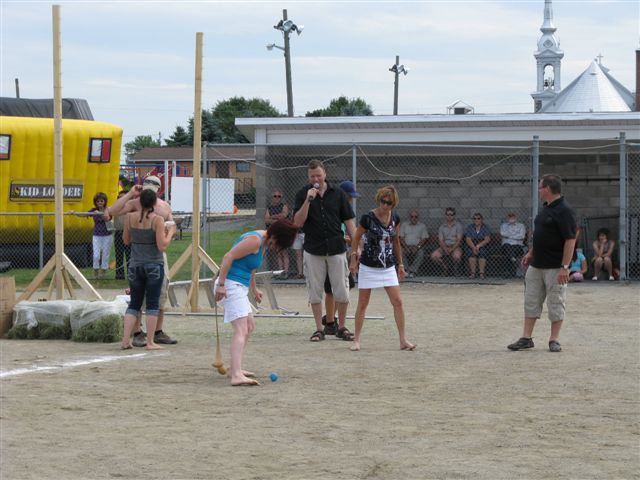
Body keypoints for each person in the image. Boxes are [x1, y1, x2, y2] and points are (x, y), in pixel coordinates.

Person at [214, 219, 297, 386]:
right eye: (279, 244)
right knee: (241, 329)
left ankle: (234, 368)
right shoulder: (255, 240)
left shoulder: (263, 241)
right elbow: (228, 256)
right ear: (275, 236)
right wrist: (221, 285)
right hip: (230, 285)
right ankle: (236, 375)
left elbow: (251, 267)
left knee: (249, 326)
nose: (277, 248)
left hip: (239, 286)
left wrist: (254, 289)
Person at [508, 174, 577, 353]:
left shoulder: (565, 210)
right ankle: (526, 338)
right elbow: (541, 235)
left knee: (556, 302)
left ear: (547, 189)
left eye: (540, 187)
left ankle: (554, 339)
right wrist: (531, 253)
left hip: (555, 266)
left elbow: (570, 240)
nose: (538, 191)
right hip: (537, 265)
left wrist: (565, 267)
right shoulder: (546, 208)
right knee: (531, 300)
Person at [293, 160, 356, 342]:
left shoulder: (338, 194)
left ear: (325, 174)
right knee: (315, 291)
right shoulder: (302, 194)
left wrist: (356, 246)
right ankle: (319, 329)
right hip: (314, 250)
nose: (316, 179)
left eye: (318, 175)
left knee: (341, 290)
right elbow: (297, 222)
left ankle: (341, 327)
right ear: (308, 177)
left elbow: (349, 222)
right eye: (312, 176)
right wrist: (308, 200)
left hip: (336, 249)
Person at [110, 175, 177, 346]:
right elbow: (112, 212)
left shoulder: (163, 207)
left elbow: (126, 239)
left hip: (141, 260)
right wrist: (129, 194)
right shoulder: (134, 204)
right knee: (147, 301)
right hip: (150, 259)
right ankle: (140, 335)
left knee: (156, 296)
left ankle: (154, 333)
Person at [349, 185, 416, 352]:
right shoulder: (368, 218)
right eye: (383, 201)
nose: (385, 205)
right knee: (363, 304)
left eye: (389, 203)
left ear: (394, 204)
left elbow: (396, 241)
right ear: (379, 200)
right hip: (368, 266)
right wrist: (353, 258)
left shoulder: (395, 218)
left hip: (388, 266)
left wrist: (400, 264)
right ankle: (356, 340)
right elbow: (356, 237)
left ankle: (403, 340)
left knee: (398, 302)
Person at [323, 180, 360, 334]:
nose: (350, 200)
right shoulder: (334, 209)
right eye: (349, 197)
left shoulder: (344, 210)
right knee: (332, 288)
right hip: (329, 253)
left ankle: (330, 317)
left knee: (347, 284)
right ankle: (330, 320)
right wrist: (347, 238)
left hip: (340, 253)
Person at [264, 189, 290, 278]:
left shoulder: (284, 206)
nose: (277, 198)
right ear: (272, 197)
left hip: (283, 232)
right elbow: (266, 220)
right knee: (278, 253)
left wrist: (272, 217)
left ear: (281, 197)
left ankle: (286, 272)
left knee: (285, 253)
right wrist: (277, 219)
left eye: (279, 196)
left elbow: (284, 215)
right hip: (274, 233)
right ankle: (280, 272)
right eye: (275, 196)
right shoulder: (269, 207)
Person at [430, 207, 463, 276]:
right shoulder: (442, 227)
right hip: (444, 247)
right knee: (434, 256)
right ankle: (445, 268)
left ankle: (455, 270)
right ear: (445, 215)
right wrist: (445, 249)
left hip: (455, 246)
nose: (449, 216)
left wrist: (452, 249)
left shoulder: (458, 226)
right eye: (448, 214)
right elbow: (441, 241)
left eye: (451, 214)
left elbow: (458, 240)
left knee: (457, 257)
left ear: (454, 215)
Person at [88, 192, 112, 279]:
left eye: (102, 201)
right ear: (95, 202)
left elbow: (108, 219)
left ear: (105, 201)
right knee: (96, 255)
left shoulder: (108, 210)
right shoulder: (93, 210)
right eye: (98, 201)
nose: (100, 203)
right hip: (97, 235)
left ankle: (103, 273)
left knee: (105, 254)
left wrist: (100, 213)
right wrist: (74, 212)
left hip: (107, 235)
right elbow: (85, 214)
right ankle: (96, 272)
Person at [399, 209, 429, 277]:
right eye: (412, 216)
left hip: (417, 247)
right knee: (400, 251)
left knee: (421, 253)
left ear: (418, 217)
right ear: (409, 217)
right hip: (406, 246)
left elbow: (424, 239)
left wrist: (417, 247)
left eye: (416, 217)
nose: (414, 218)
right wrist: (406, 247)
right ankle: (406, 270)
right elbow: (401, 238)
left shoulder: (422, 226)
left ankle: (413, 271)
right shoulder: (404, 225)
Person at [464, 212, 491, 279]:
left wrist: (478, 246)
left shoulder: (485, 227)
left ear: (482, 219)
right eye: (474, 218)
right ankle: (473, 273)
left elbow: (487, 239)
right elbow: (468, 239)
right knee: (471, 253)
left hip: (482, 244)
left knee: (482, 253)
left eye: (478, 218)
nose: (476, 220)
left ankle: (481, 273)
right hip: (472, 244)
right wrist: (473, 247)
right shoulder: (470, 227)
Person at [500, 212, 527, 277]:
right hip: (506, 246)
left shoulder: (521, 226)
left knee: (508, 253)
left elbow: (522, 236)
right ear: (507, 218)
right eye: (510, 217)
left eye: (513, 217)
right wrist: (516, 235)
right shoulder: (503, 225)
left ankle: (508, 271)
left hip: (517, 246)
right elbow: (502, 233)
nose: (511, 218)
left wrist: (509, 236)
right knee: (507, 246)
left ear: (515, 217)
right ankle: (513, 258)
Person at [113, 190, 131, 280]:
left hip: (129, 234)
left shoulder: (131, 208)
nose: (121, 199)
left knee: (129, 255)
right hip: (118, 233)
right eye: (119, 198)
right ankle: (119, 275)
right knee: (119, 255)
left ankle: (130, 274)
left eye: (124, 197)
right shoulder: (115, 208)